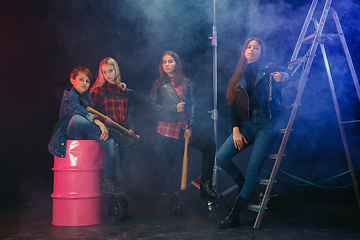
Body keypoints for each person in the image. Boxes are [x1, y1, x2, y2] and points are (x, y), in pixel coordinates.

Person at [216, 37, 290, 229]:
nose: (252, 50)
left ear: (260, 52)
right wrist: (236, 131)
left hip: (267, 124)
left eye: (256, 48)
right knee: (222, 158)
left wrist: (284, 76)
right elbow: (233, 107)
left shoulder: (268, 69)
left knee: (252, 169)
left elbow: (289, 72)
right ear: (244, 51)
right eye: (249, 47)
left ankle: (234, 214)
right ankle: (245, 188)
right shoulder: (237, 76)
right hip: (246, 125)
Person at [150, 51, 222, 217]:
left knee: (209, 145)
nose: (167, 65)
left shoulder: (186, 82)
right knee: (166, 167)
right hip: (166, 131)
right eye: (164, 62)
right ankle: (173, 202)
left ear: (177, 63)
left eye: (170, 61)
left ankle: (205, 185)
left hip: (184, 129)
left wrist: (190, 126)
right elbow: (153, 109)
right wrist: (173, 109)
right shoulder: (159, 83)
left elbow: (193, 105)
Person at [48, 66, 124, 195]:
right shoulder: (69, 95)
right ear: (72, 80)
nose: (85, 83)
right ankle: (112, 131)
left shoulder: (87, 96)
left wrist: (120, 86)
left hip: (86, 133)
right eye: (81, 79)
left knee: (109, 142)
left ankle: (108, 181)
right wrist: (98, 121)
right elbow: (78, 110)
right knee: (77, 119)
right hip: (71, 132)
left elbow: (99, 91)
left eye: (87, 81)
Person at [91, 57, 134, 222]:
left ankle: (114, 208)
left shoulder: (124, 91)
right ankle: (120, 207)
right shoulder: (97, 91)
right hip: (109, 134)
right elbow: (92, 115)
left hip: (124, 135)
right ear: (101, 73)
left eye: (111, 70)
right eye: (105, 71)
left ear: (116, 71)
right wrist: (103, 122)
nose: (108, 74)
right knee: (115, 172)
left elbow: (129, 114)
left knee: (121, 172)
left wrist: (132, 130)